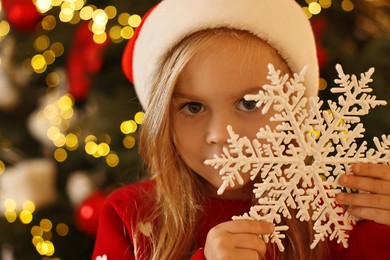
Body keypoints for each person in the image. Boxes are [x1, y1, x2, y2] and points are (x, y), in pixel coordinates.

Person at [92, 0, 390, 259]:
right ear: (163, 119)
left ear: (296, 109)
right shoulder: (129, 218)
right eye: (193, 108)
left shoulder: (332, 215)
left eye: (249, 104)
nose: (221, 134)